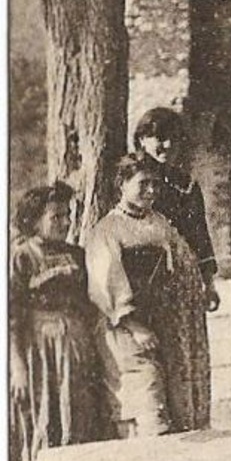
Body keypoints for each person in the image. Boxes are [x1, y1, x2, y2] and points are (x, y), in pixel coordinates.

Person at [85, 154, 212, 437]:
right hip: (126, 330)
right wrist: (135, 326)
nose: (152, 191)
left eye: (155, 184)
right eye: (143, 184)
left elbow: (184, 264)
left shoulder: (160, 223)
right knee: (145, 404)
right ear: (122, 183)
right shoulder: (108, 230)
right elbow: (105, 284)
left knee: (175, 406)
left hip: (162, 326)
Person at [9, 183, 113, 461]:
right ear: (35, 219)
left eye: (67, 215)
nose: (65, 223)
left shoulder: (78, 255)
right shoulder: (21, 258)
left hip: (78, 344)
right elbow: (11, 316)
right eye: (56, 217)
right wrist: (16, 365)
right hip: (39, 347)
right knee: (45, 406)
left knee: (78, 403)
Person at [132, 107, 220, 311]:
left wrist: (209, 284)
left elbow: (199, 235)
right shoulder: (133, 183)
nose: (169, 145)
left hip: (184, 280)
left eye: (175, 138)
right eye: (160, 138)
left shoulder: (186, 184)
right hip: (146, 280)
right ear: (142, 140)